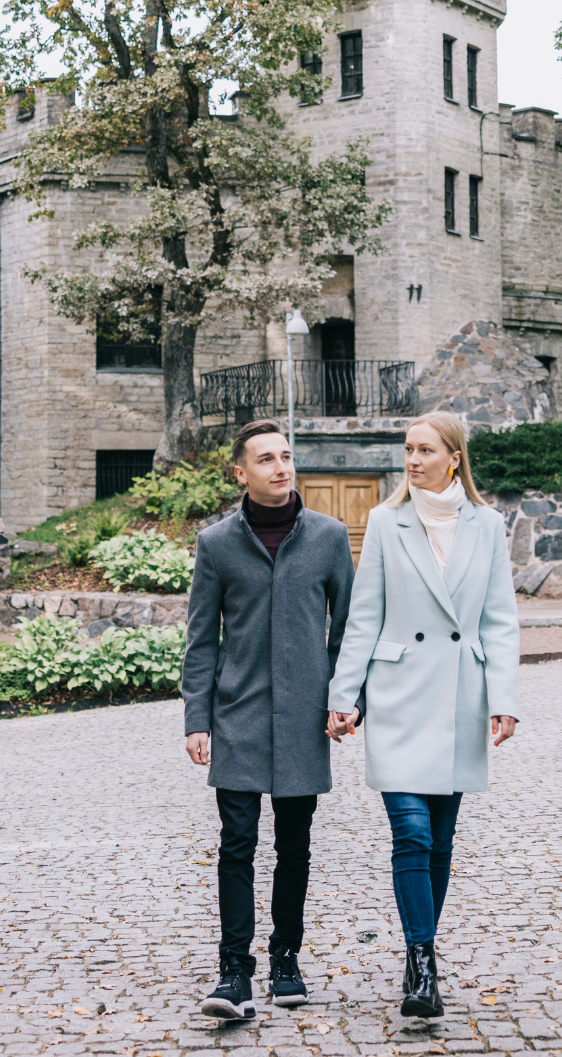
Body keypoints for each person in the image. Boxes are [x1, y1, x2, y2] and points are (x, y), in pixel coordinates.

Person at [324, 410, 521, 1020]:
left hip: (462, 696)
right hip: (400, 693)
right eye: (407, 449)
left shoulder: (488, 526)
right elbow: (364, 616)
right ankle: (422, 960)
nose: (412, 460)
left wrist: (503, 699)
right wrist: (342, 694)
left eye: (424, 450)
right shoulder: (386, 522)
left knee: (440, 840)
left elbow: (499, 619)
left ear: (453, 457)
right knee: (410, 832)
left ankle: (420, 953)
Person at [182, 419, 356, 1019]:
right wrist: (195, 718)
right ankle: (234, 972)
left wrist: (345, 697)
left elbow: (350, 633)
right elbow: (201, 640)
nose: (280, 467)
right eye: (265, 459)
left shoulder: (330, 538)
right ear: (241, 473)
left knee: (295, 846)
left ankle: (286, 959)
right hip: (237, 715)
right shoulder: (217, 544)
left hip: (307, 718)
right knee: (236, 844)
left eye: (286, 457)